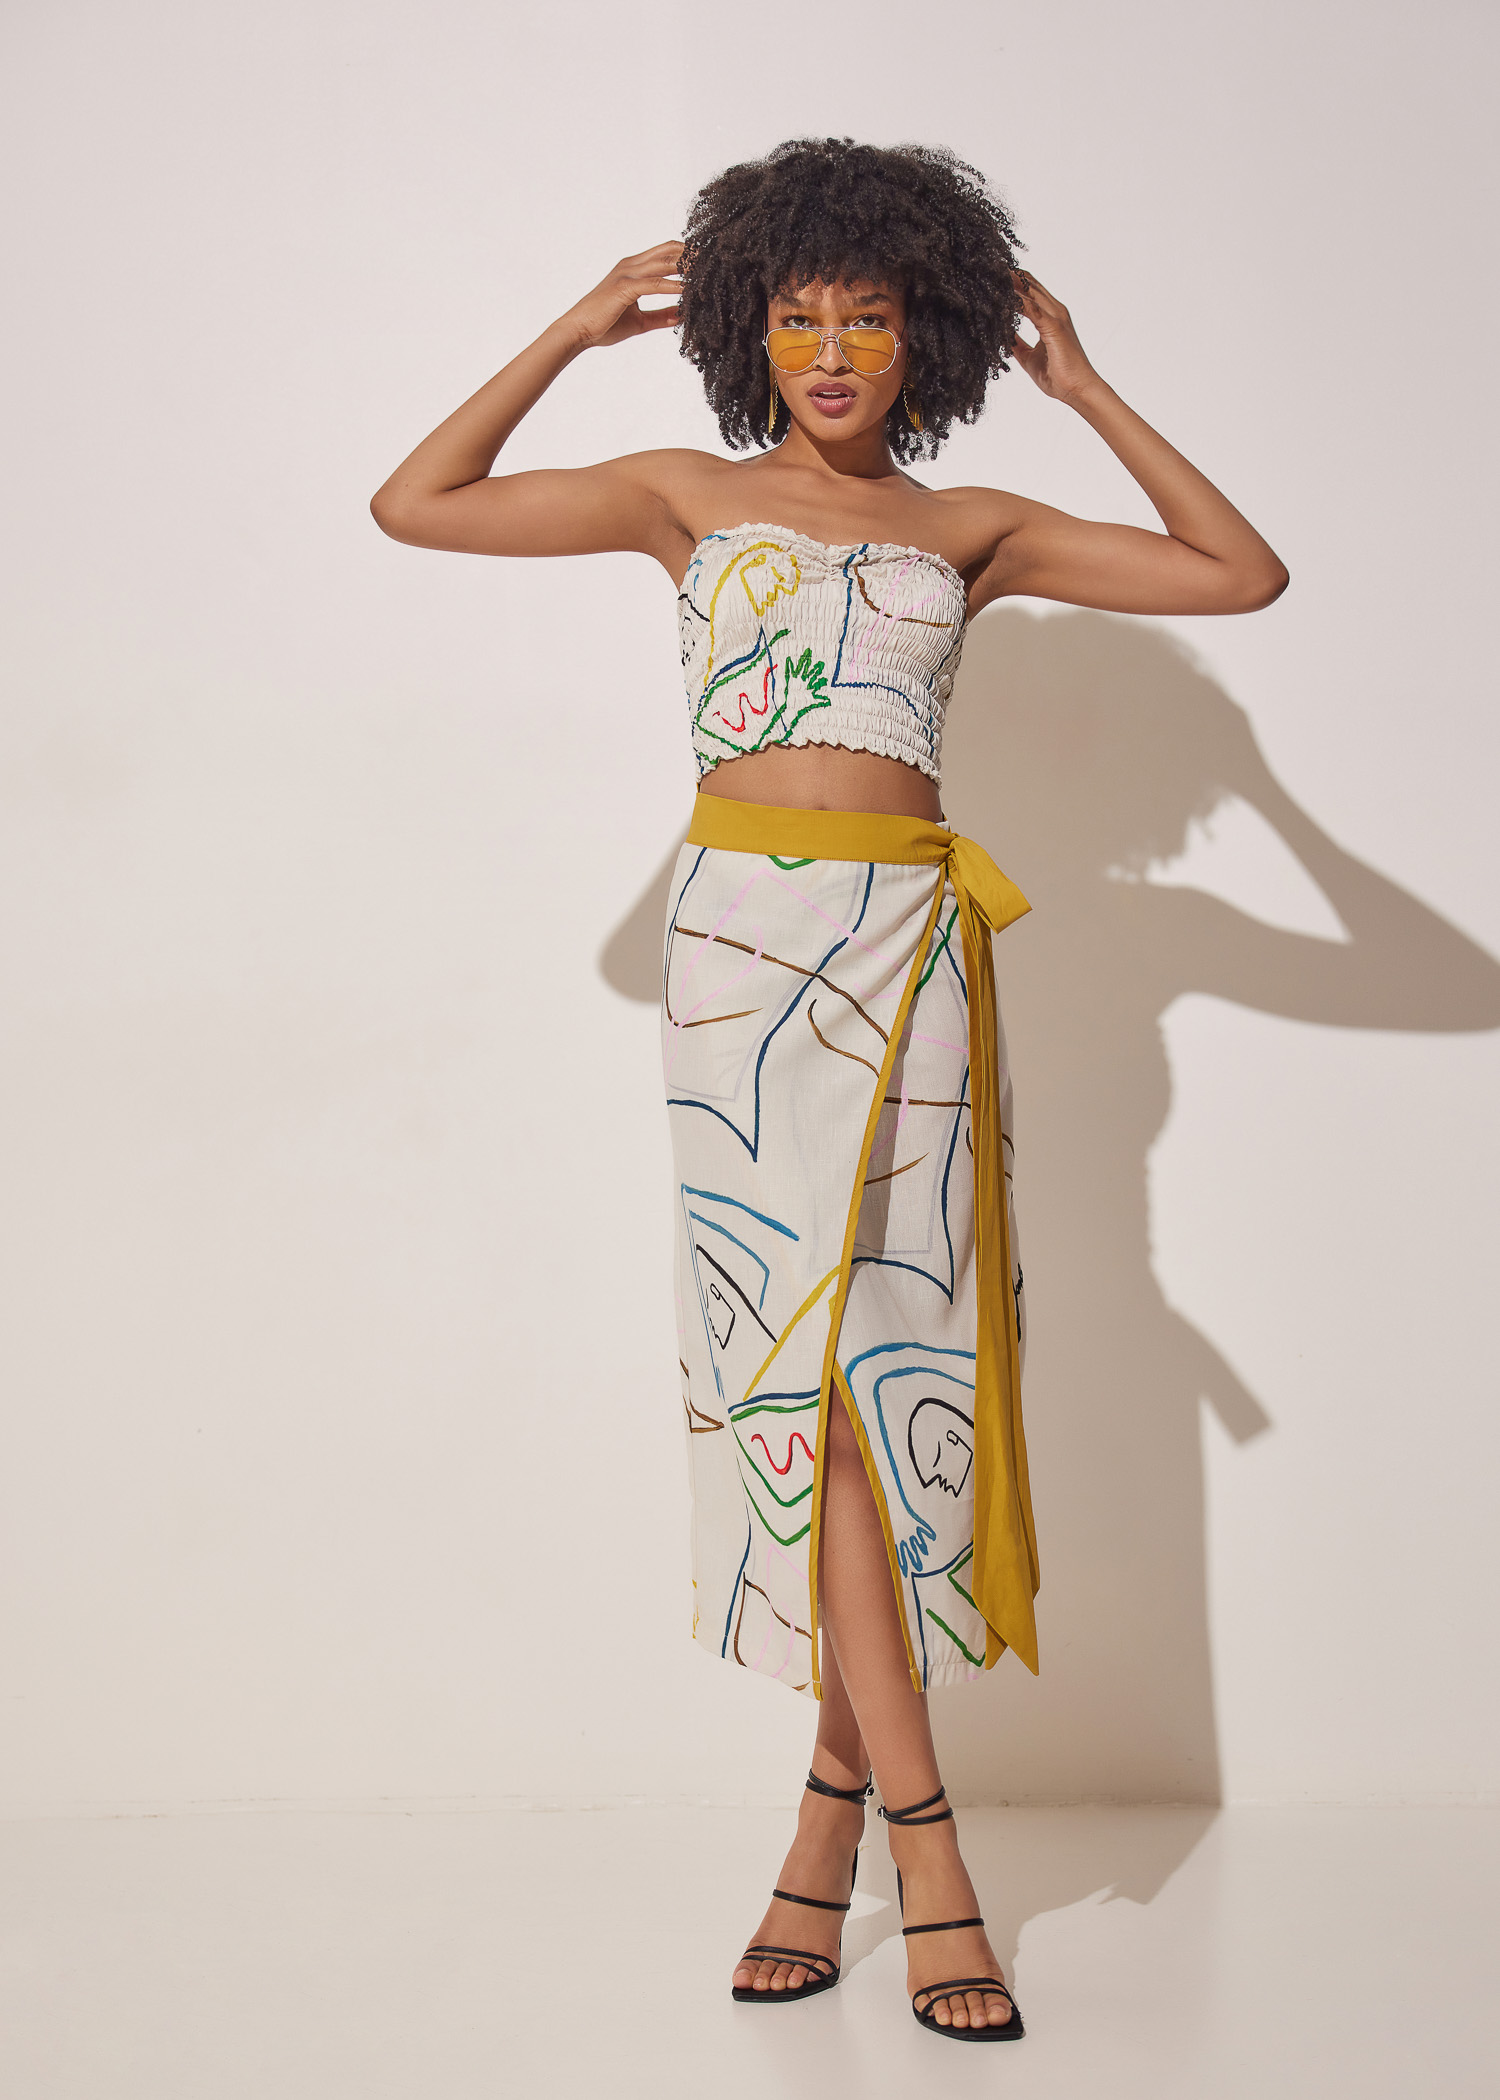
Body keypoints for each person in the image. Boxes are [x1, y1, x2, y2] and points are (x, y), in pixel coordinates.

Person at [370, 136, 1287, 2043]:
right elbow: (415, 502)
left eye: (869, 316)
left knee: (878, 1387)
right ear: (745, 331)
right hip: (737, 968)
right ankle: (925, 1847)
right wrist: (572, 325)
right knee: (802, 1393)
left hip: (913, 956)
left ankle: (826, 1823)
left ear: (924, 332)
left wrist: (1085, 384)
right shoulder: (680, 495)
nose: (834, 351)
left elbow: (1240, 572)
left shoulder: (977, 528)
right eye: (797, 317)